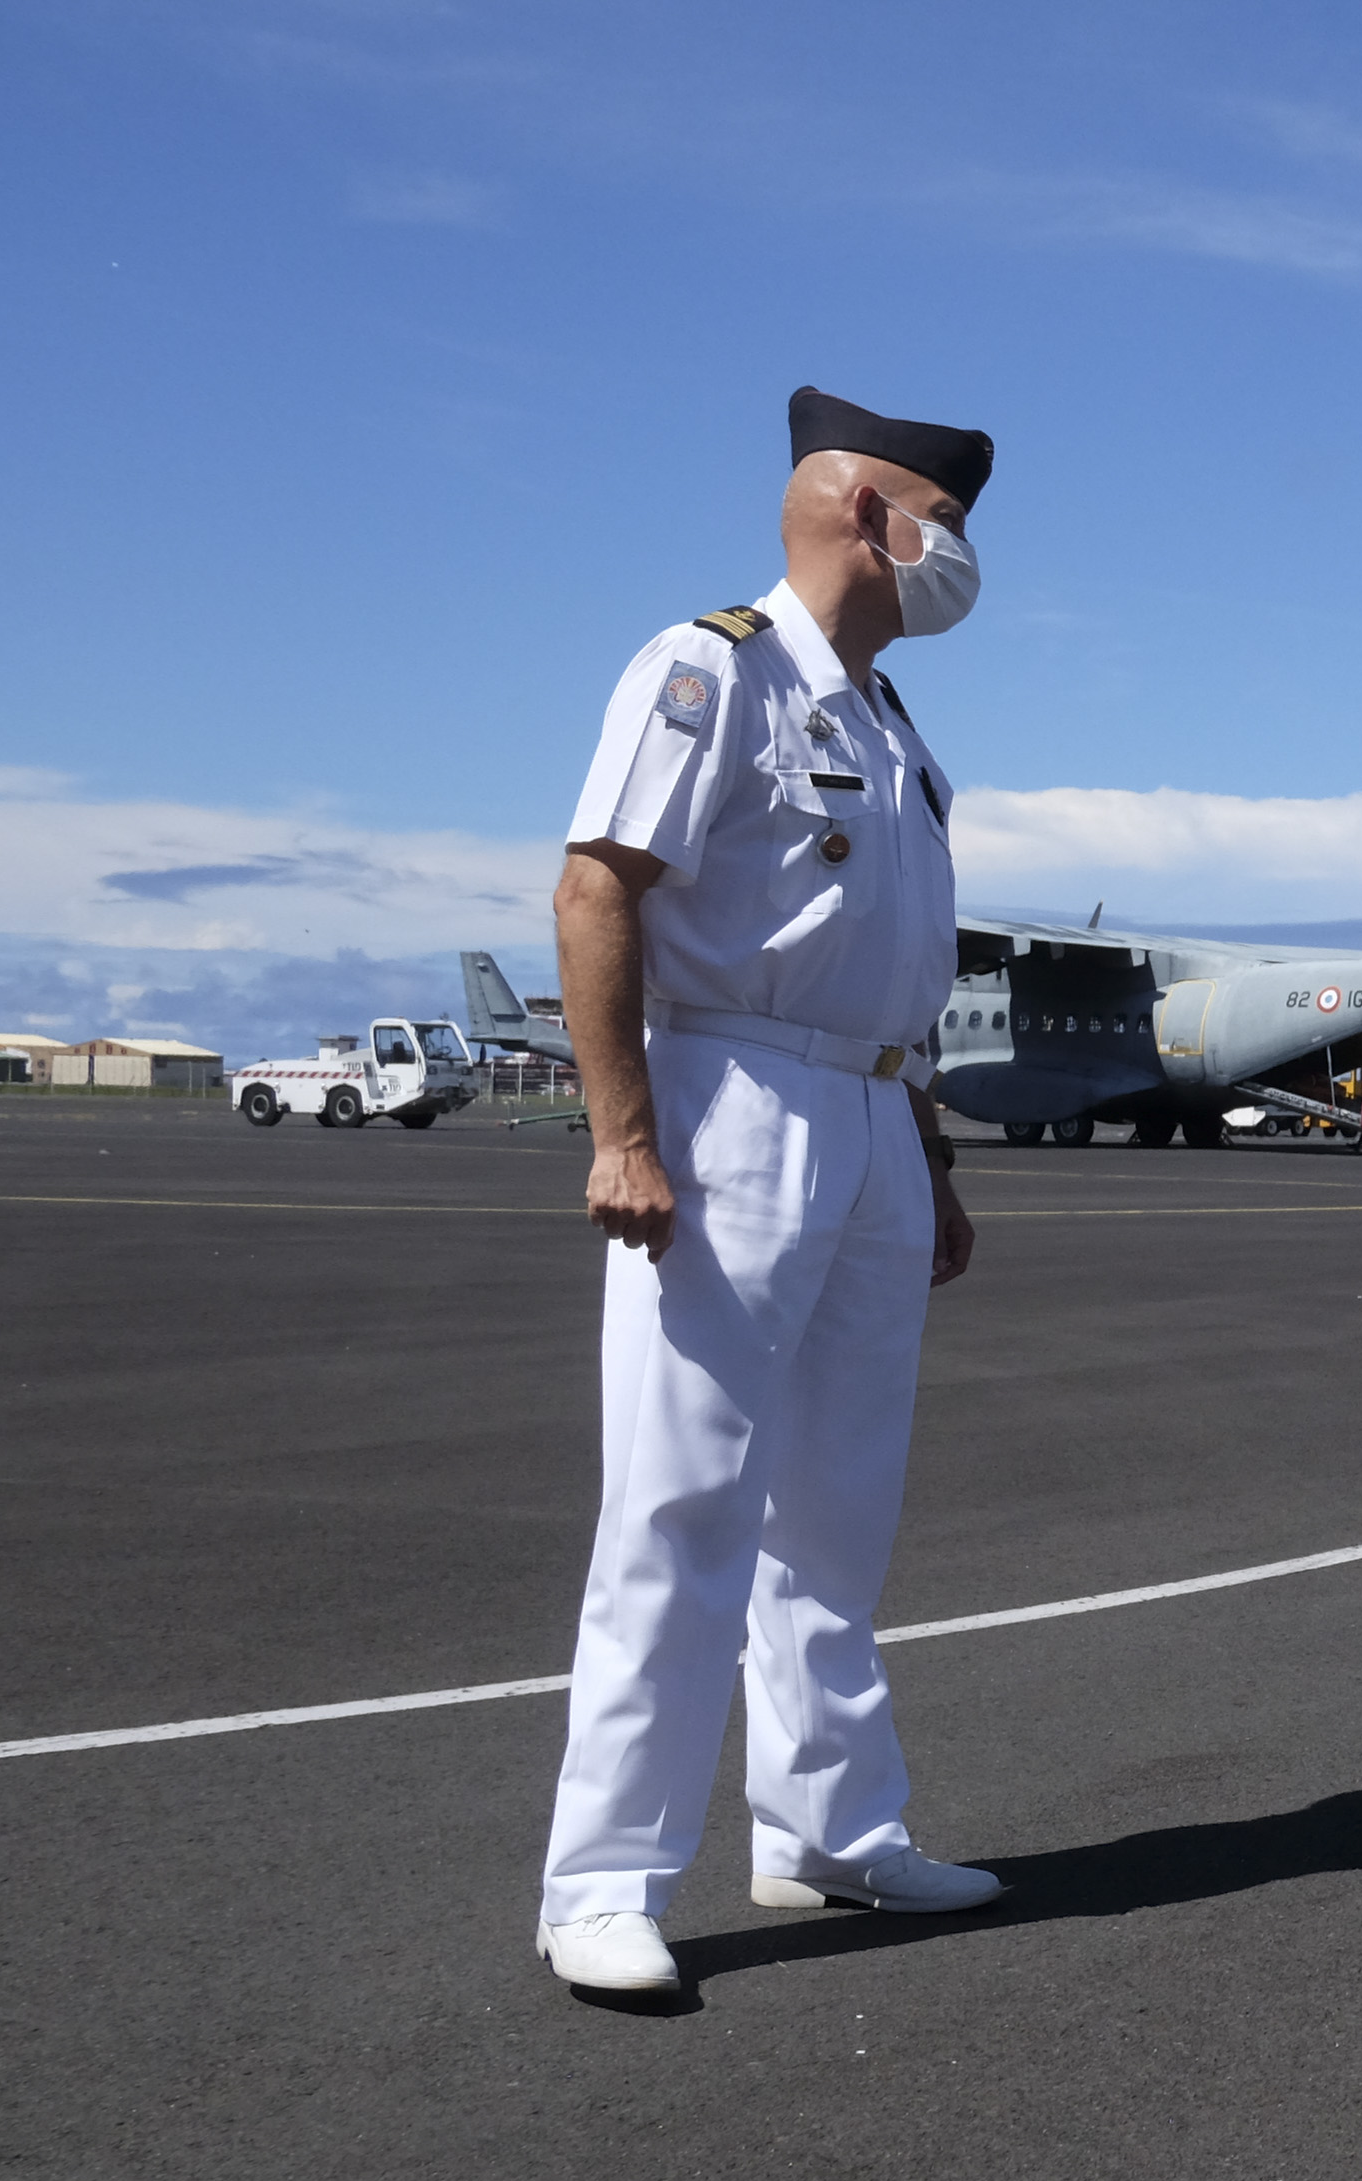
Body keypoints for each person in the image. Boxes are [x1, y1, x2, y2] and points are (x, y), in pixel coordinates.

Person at [533, 387, 1007, 1997]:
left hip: (871, 1114)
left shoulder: (892, 727)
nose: (960, 556)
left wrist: (927, 1158)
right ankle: (603, 1878)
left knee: (838, 1504)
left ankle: (829, 1830)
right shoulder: (712, 667)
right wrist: (624, 1131)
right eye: (947, 518)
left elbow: (897, 973)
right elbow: (600, 885)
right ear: (870, 512)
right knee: (682, 1501)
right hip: (728, 1098)